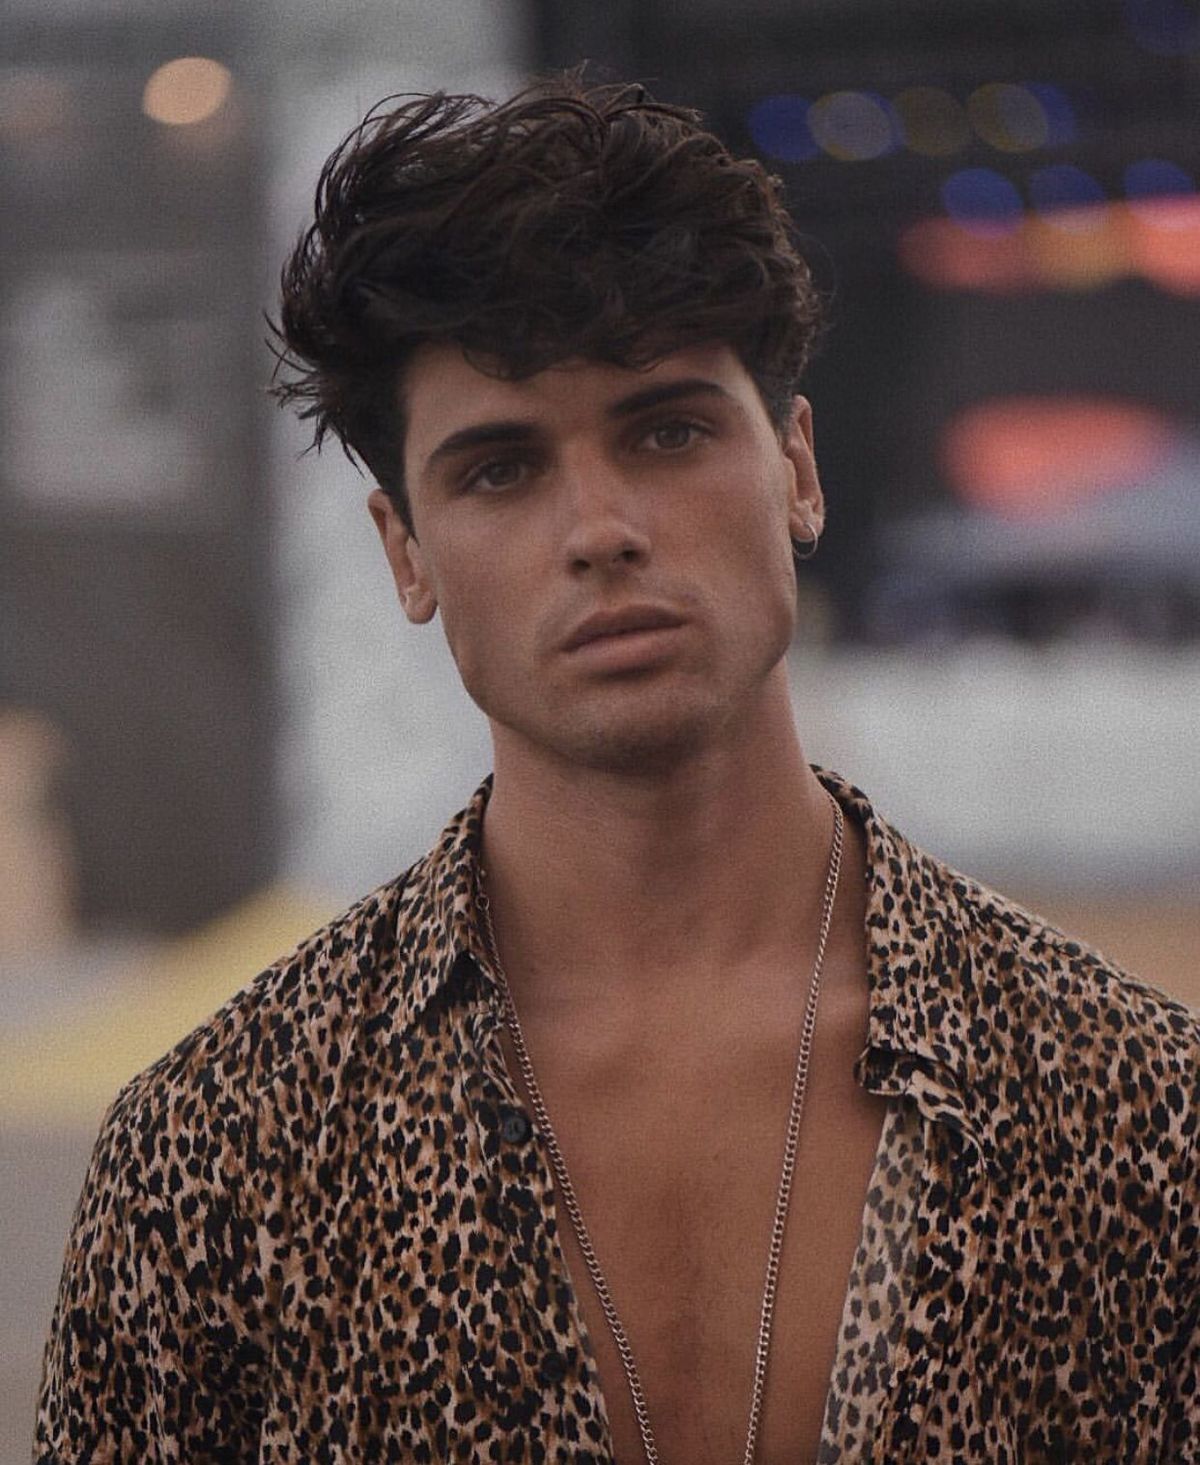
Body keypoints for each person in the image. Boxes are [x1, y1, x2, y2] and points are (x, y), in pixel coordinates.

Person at [35, 73, 1198, 1465]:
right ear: (406, 553)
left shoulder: (1126, 1108)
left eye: (667, 430)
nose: (600, 528)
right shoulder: (220, 1153)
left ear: (797, 468)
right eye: (500, 470)